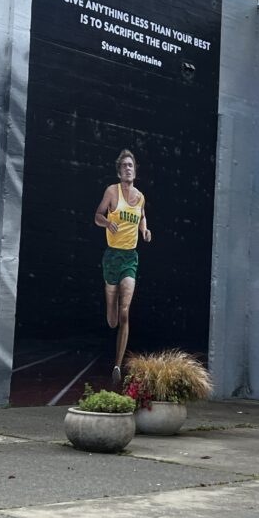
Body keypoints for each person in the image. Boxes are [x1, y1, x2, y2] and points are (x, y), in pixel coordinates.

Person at [95, 149, 151, 384]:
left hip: (130, 258)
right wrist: (108, 222)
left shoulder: (140, 197)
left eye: (131, 165)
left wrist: (145, 230)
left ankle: (117, 365)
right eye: (125, 166)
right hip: (112, 257)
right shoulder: (111, 191)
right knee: (113, 319)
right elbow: (97, 215)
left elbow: (142, 216)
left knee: (125, 312)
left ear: (135, 170)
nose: (128, 168)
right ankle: (112, 307)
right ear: (119, 172)